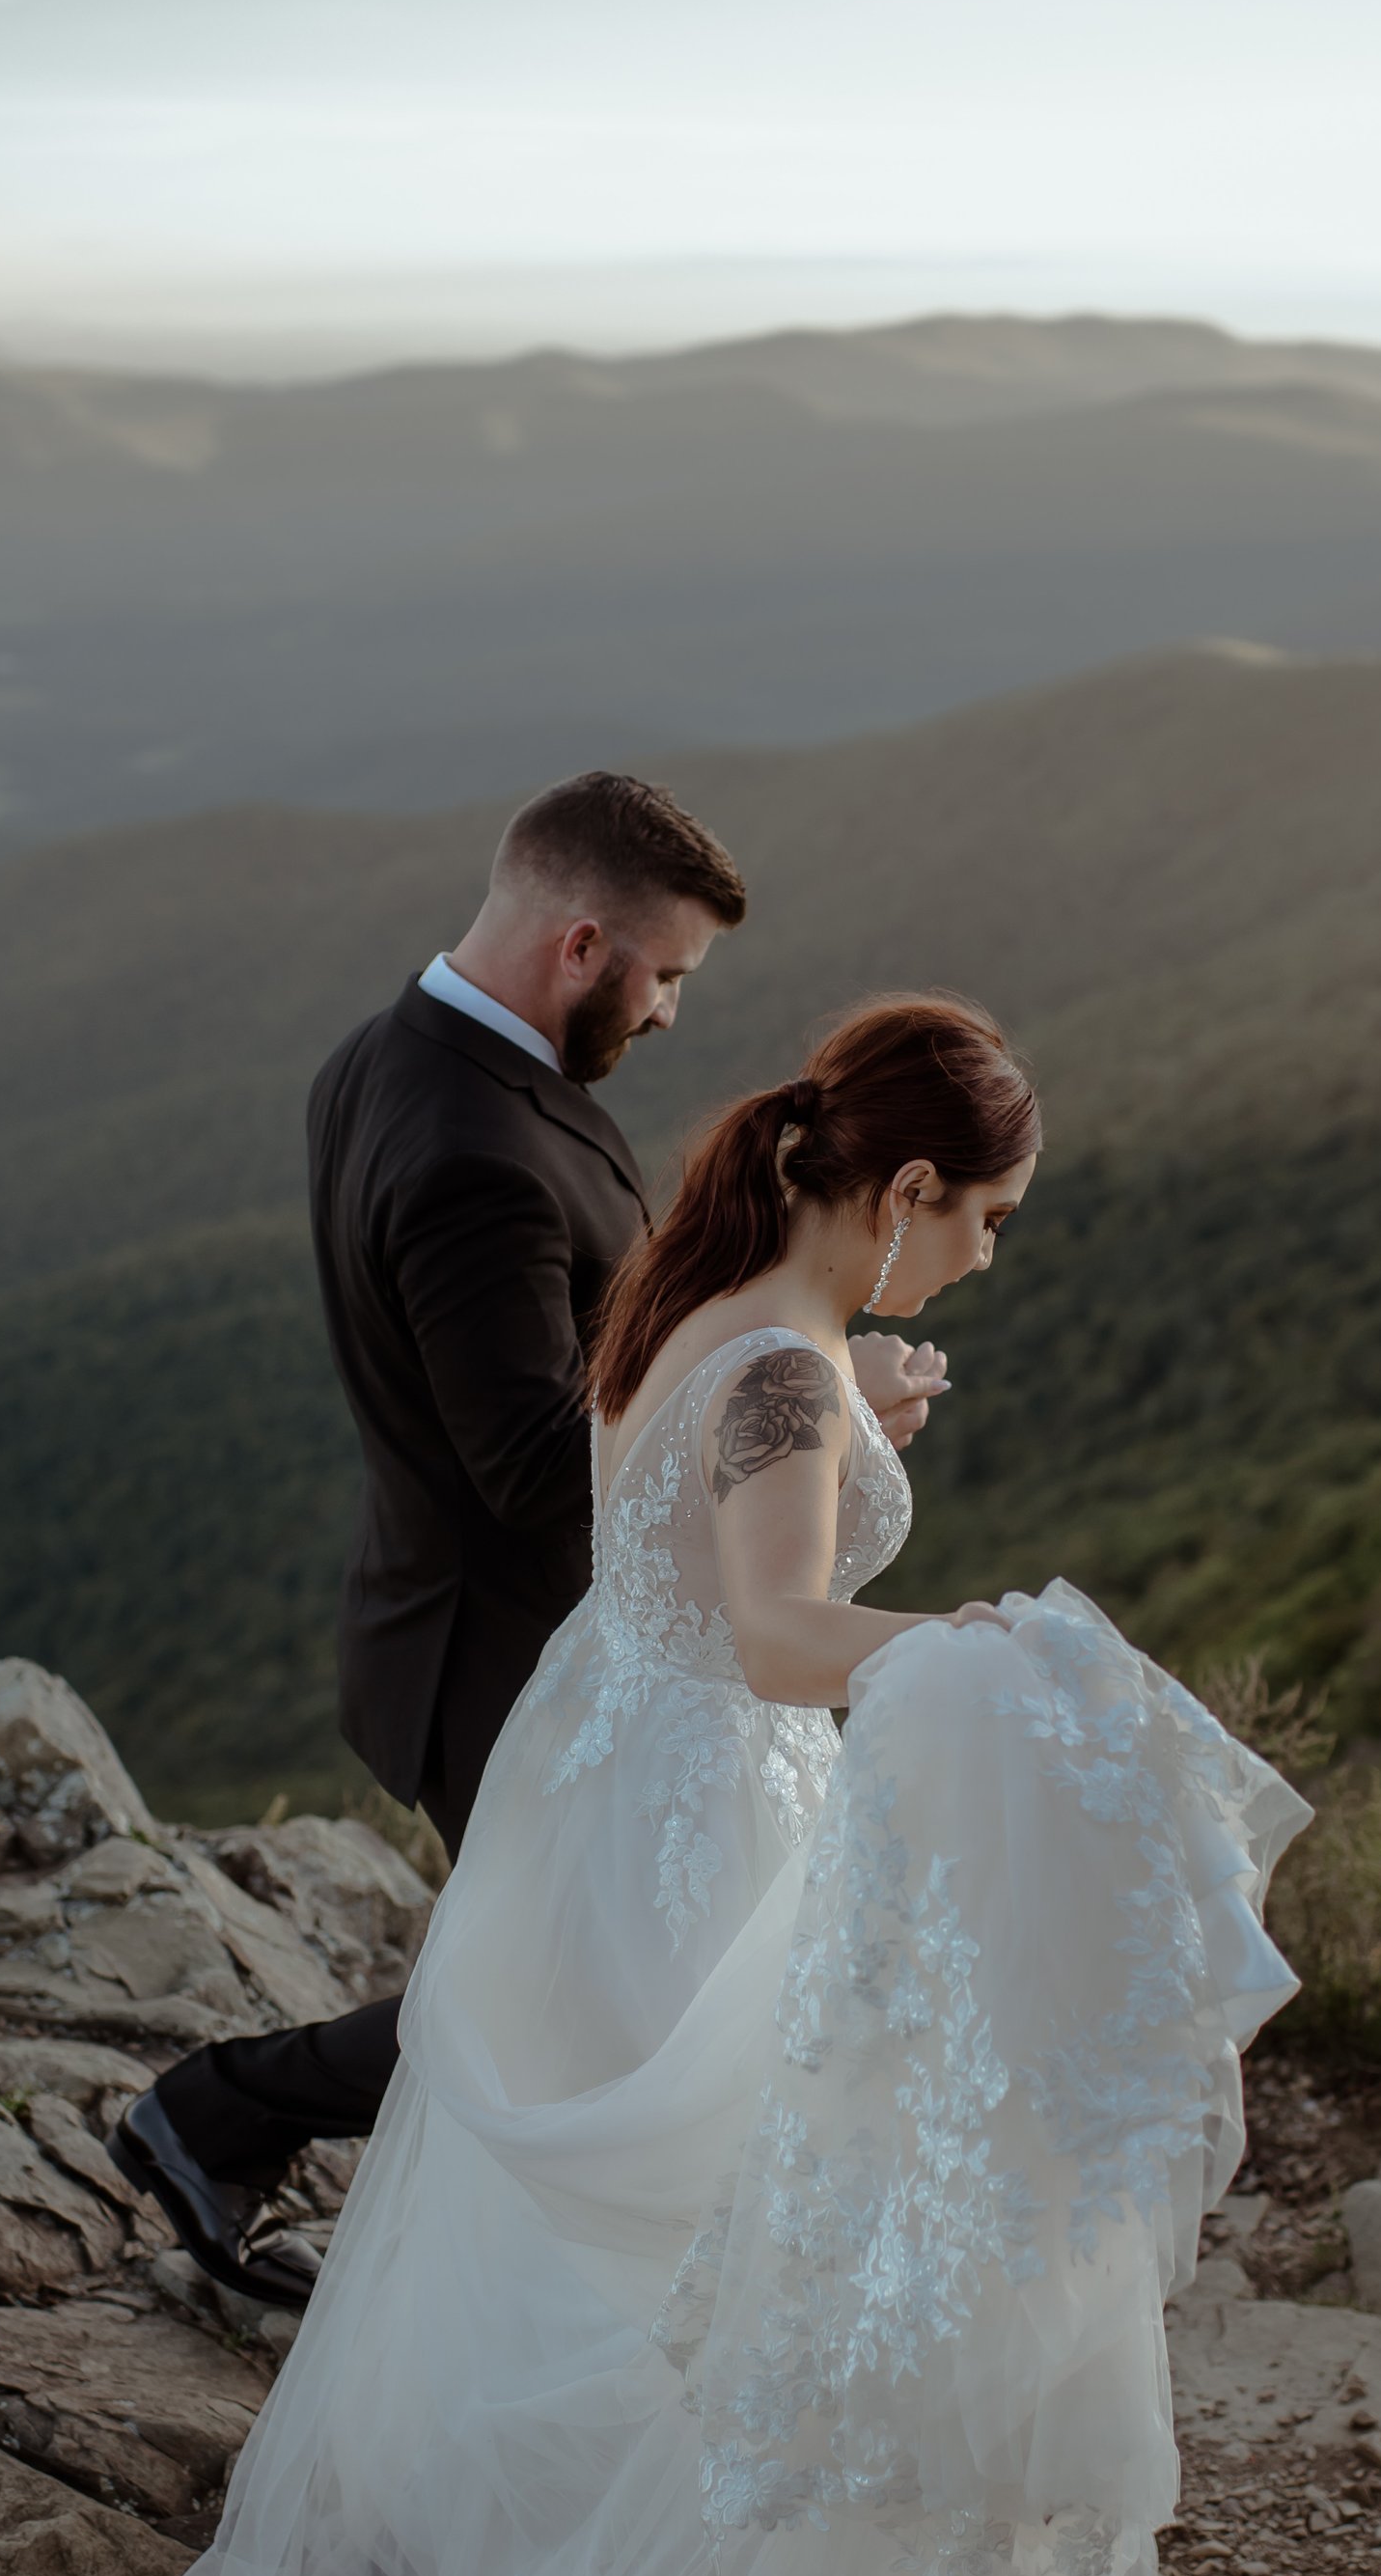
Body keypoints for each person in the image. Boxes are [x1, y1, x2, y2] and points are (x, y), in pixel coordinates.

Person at [0, 996, 1309, 2576]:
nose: (983, 1258)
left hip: (595, 1787)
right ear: (896, 1195)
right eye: (982, 1221)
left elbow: (704, 1511)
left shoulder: (703, 1294)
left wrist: (854, 1410)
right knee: (725, 2221)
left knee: (587, 2213)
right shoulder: (778, 1359)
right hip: (707, 1811)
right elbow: (782, 1633)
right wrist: (992, 1653)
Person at [109, 773, 946, 2307]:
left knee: (587, 1990)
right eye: (669, 974)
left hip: (453, 1609)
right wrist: (805, 1422)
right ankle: (219, 2112)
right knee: (561, 2004)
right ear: (581, 945)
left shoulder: (393, 1053)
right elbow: (529, 1464)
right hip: (501, 1649)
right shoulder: (473, 1153)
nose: (676, 1014)